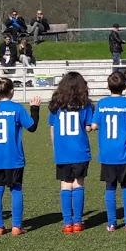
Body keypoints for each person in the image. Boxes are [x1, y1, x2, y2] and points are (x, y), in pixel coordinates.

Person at [0, 76, 40, 236]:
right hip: (14, 158)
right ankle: (16, 226)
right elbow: (32, 127)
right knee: (16, 190)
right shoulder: (17, 108)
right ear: (12, 91)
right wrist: (35, 108)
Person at [48, 71, 95, 235]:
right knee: (78, 184)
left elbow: (52, 130)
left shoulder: (56, 106)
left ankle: (67, 222)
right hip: (80, 151)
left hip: (63, 152)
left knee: (65, 185)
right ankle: (78, 221)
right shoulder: (86, 105)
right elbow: (89, 127)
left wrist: (56, 149)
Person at [94, 71, 126, 230]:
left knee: (110, 187)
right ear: (125, 86)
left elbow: (94, 125)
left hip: (107, 153)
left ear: (108, 87)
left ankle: (111, 223)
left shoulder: (101, 103)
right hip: (124, 153)